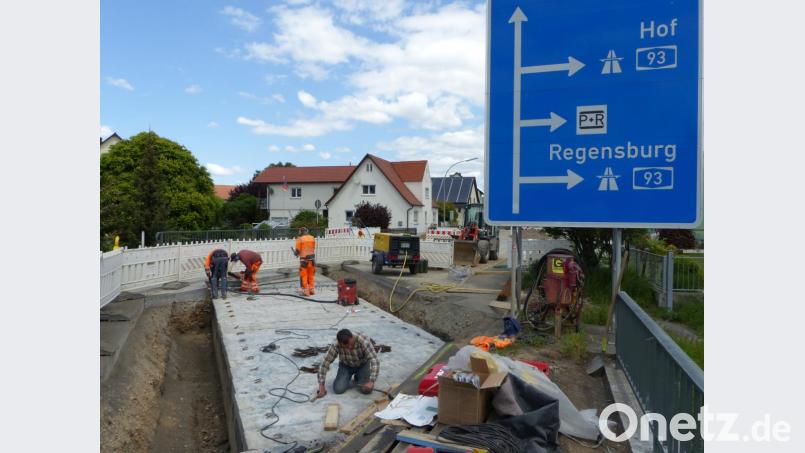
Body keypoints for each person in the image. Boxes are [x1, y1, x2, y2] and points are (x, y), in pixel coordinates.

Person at [317, 329, 380, 397]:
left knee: (366, 390)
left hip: (362, 365)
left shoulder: (363, 339)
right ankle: (349, 379)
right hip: (346, 366)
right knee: (338, 389)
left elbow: (374, 359)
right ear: (340, 343)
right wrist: (321, 386)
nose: (350, 347)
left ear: (352, 337)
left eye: (351, 344)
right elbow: (324, 363)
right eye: (346, 346)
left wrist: (371, 381)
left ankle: (358, 377)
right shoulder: (336, 344)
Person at [293, 227, 316, 296]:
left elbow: (297, 251)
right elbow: (313, 248)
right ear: (307, 231)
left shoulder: (300, 239)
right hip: (312, 260)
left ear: (300, 232)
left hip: (304, 261)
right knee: (311, 275)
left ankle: (306, 290)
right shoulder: (312, 238)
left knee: (304, 276)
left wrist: (295, 253)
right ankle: (311, 289)